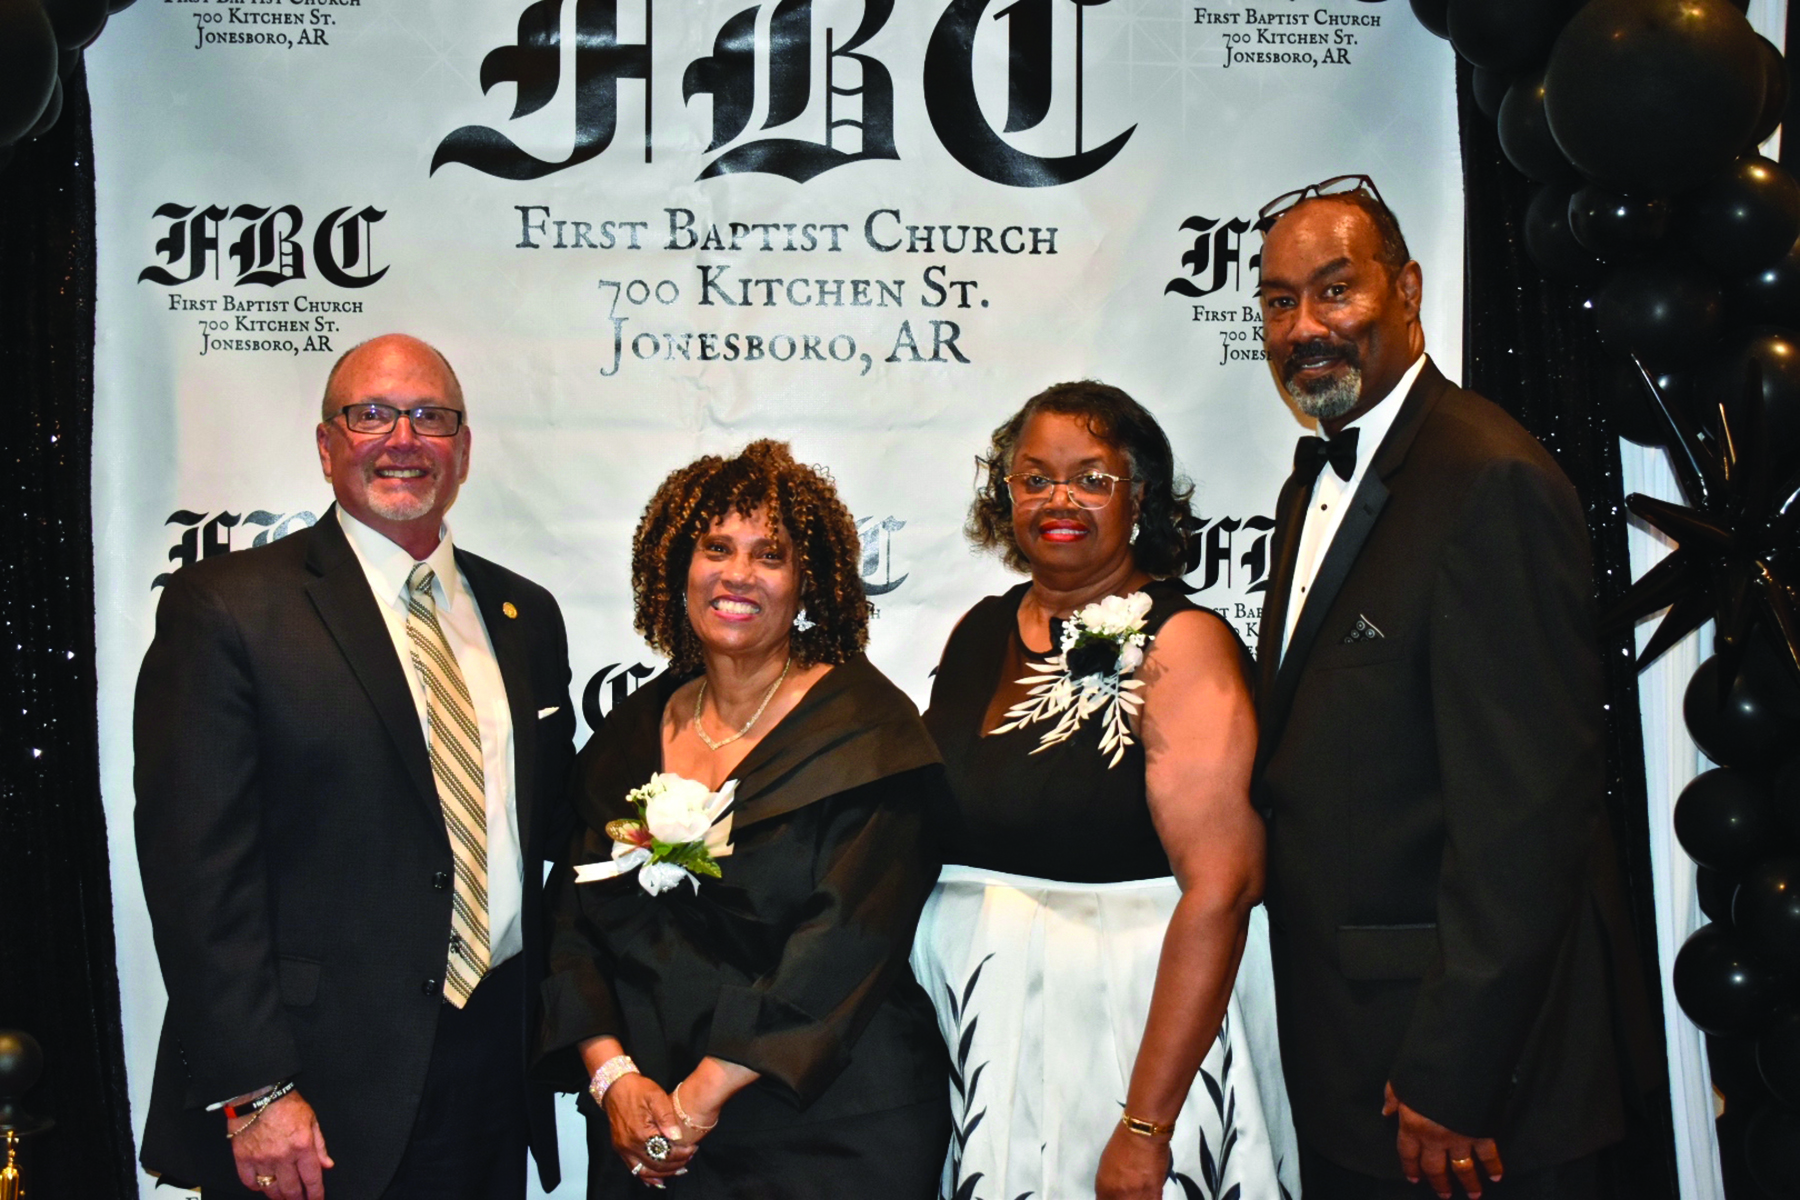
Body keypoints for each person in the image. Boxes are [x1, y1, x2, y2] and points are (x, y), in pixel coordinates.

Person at [1251, 177, 1654, 1199]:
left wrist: (1455, 1074)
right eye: (1279, 301)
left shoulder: (1489, 479)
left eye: (1335, 291)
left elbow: (1529, 813)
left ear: (1410, 289)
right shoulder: (1315, 483)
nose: (1305, 327)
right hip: (1356, 1061)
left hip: (1466, 1101)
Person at [134, 334, 576, 1200]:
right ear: (327, 443)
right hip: (309, 1093)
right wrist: (255, 1089)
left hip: (490, 1067)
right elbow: (195, 875)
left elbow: (549, 826)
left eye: (430, 417)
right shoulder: (227, 607)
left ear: (464, 449)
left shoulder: (526, 615)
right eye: (371, 414)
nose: (402, 438)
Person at [910, 382, 1298, 1200]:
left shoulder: (1182, 645)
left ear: (1140, 497)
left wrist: (1146, 1126)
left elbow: (1224, 889)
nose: (1060, 500)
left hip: (1132, 1047)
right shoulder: (981, 630)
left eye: (1092, 478)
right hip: (991, 1052)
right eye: (1034, 477)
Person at [537, 439, 951, 1197]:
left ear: (809, 581)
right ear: (677, 567)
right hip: (645, 1121)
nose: (737, 575)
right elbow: (571, 926)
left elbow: (845, 947)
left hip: (829, 1126)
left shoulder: (868, 732)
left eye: (770, 555)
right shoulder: (629, 733)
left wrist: (698, 1101)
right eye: (716, 547)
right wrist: (613, 1080)